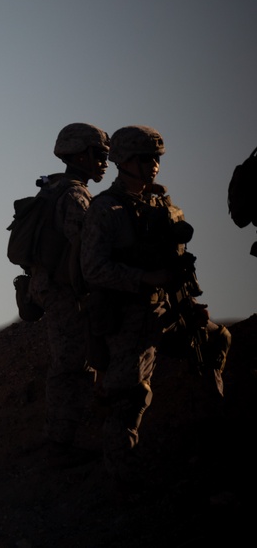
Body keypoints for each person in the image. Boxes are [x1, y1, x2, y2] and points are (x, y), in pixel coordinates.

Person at [81, 125, 216, 493]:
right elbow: (93, 269)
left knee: (215, 344)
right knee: (129, 397)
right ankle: (124, 480)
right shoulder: (105, 210)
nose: (154, 165)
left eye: (156, 158)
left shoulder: (160, 204)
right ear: (124, 161)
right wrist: (143, 278)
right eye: (145, 158)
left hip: (166, 309)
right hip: (127, 319)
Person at [28, 123, 110, 469]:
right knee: (72, 365)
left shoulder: (52, 189)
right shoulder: (75, 196)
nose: (105, 162)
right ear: (80, 155)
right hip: (67, 290)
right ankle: (59, 444)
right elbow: (86, 250)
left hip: (53, 288)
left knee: (72, 363)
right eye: (99, 155)